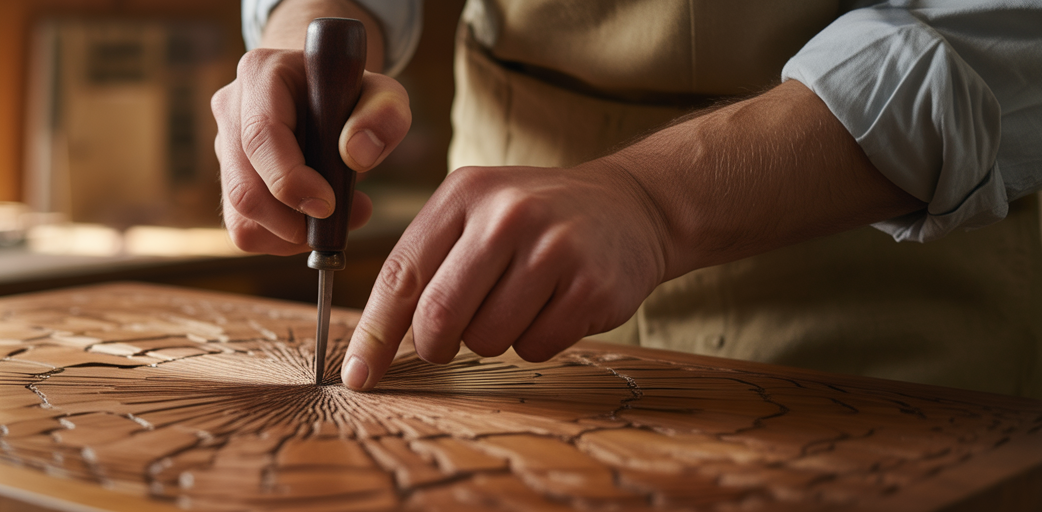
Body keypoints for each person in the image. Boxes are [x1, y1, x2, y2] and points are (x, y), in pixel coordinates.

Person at [215, 0, 1042, 397]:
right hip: (500, 332)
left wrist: (652, 200)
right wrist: (310, 25)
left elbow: (1006, 33)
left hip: (883, 325)